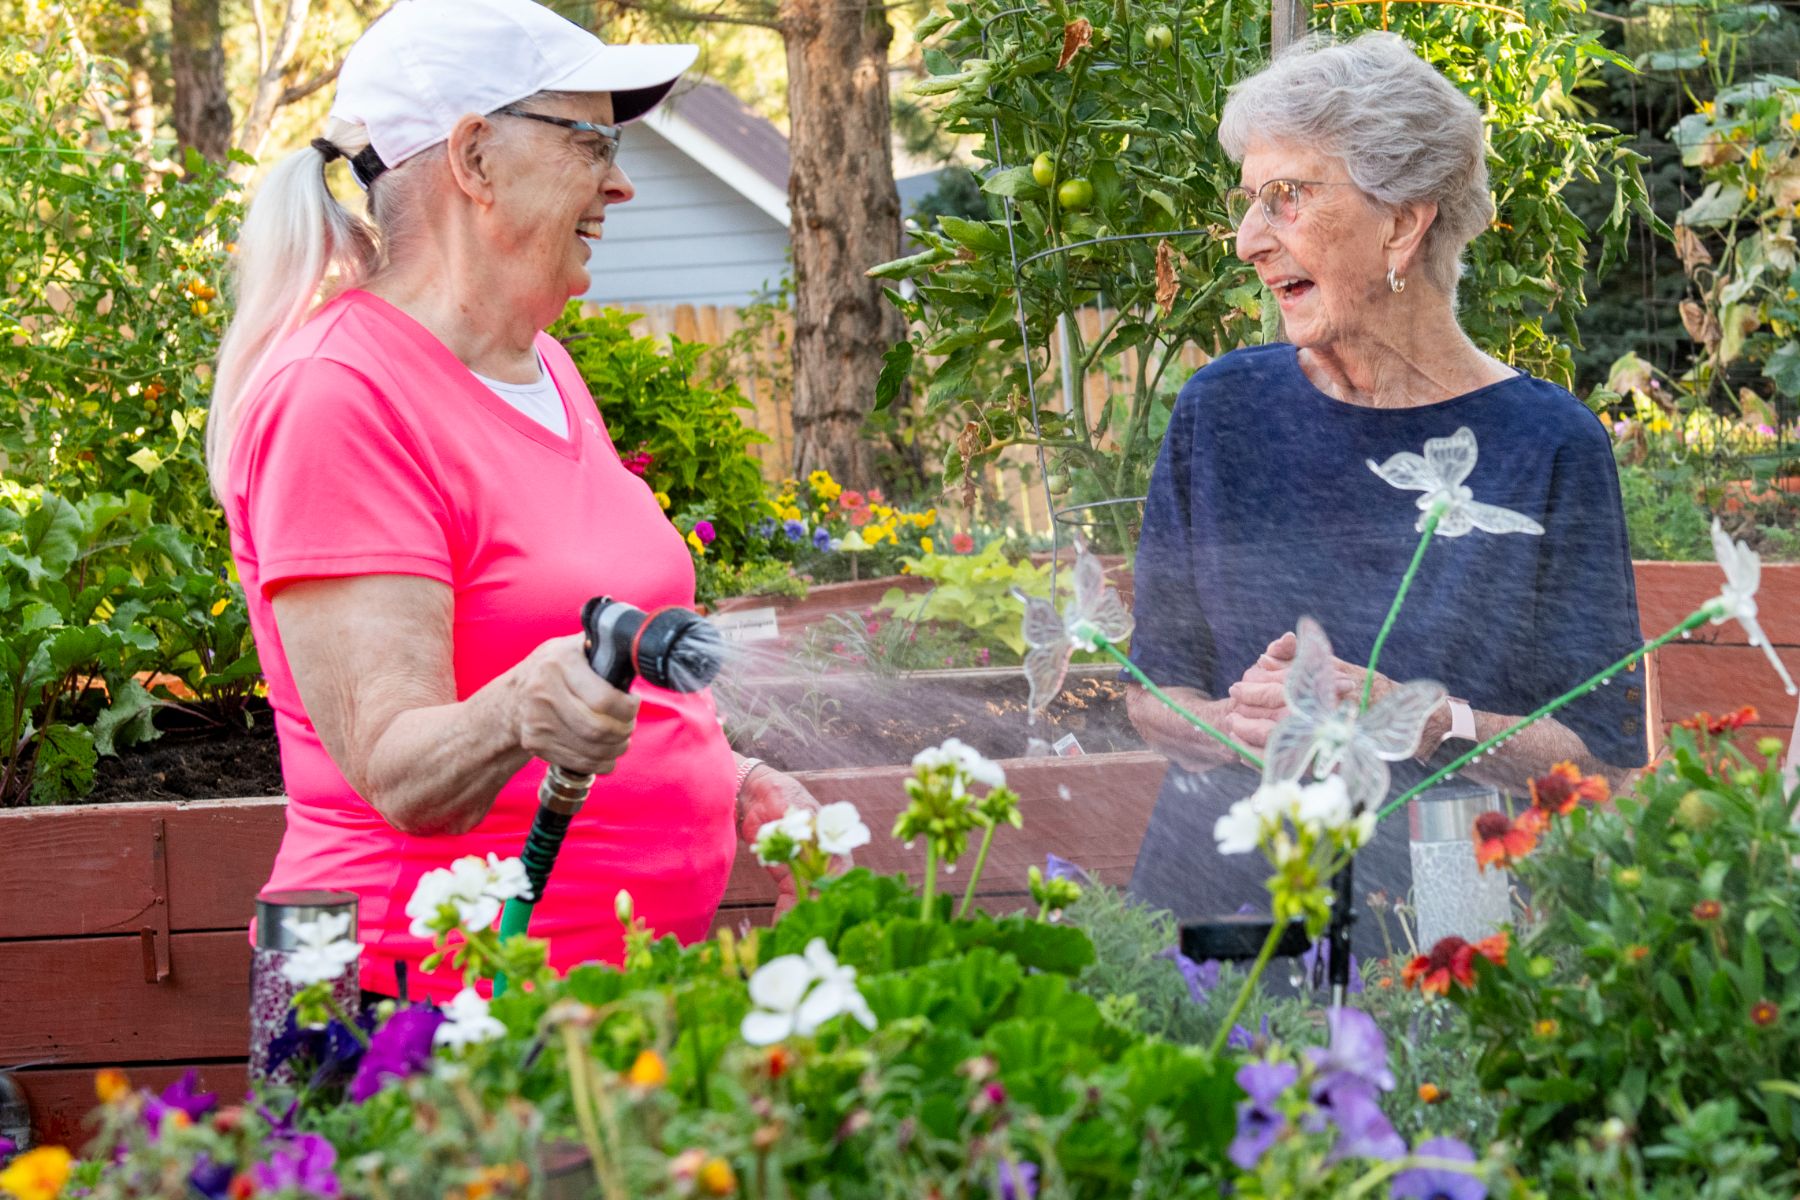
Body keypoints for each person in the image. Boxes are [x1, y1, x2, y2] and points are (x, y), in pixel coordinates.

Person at [208, 0, 826, 1001]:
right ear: (475, 157)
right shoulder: (339, 395)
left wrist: (738, 780)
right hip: (404, 1010)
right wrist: (513, 712)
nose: (619, 181)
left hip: (590, 1004)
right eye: (592, 141)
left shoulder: (546, 370)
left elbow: (601, 651)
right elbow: (400, 770)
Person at [1124, 33, 1649, 958]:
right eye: (1249, 204)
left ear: (1402, 224)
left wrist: (1421, 718)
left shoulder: (1548, 445)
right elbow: (1153, 689)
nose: (1249, 241)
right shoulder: (1221, 411)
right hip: (1217, 902)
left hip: (1440, 923)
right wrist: (1228, 722)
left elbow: (1602, 754)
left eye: (1286, 196)